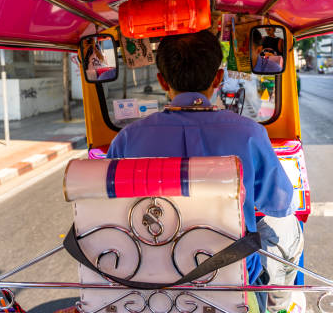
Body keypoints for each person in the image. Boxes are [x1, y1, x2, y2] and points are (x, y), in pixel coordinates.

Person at [107, 30, 303, 313]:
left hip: (149, 274)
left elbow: (113, 211)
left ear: (162, 80)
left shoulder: (127, 139)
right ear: (218, 78)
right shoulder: (250, 134)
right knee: (289, 225)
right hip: (230, 271)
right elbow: (281, 204)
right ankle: (281, 306)